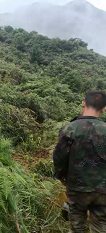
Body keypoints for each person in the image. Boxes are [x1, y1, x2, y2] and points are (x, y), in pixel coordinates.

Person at [53, 90, 106, 233]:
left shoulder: (70, 128)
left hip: (77, 187)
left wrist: (61, 176)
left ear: (83, 104)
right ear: (103, 108)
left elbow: (59, 157)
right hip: (103, 190)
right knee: (100, 226)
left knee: (77, 227)